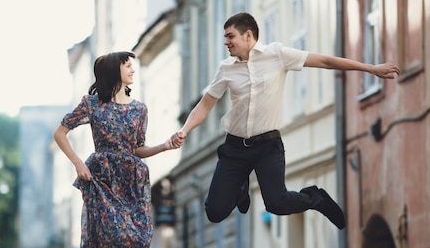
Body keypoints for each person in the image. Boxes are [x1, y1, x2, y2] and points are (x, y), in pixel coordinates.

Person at [172, 12, 401, 230]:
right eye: (225, 38)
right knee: (215, 211)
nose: (226, 42)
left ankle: (316, 198)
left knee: (277, 204)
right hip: (235, 148)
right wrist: (185, 130)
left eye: (230, 36)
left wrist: (370, 68)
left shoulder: (277, 54)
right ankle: (240, 188)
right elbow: (205, 105)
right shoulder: (226, 69)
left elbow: (324, 61)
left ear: (248, 35)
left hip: (267, 147)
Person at [54, 51, 182, 248]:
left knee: (140, 238)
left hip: (132, 178)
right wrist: (77, 162)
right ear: (115, 70)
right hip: (101, 175)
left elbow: (137, 149)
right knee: (116, 231)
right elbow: (60, 134)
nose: (133, 70)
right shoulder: (92, 104)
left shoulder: (139, 110)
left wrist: (164, 146)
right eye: (127, 66)